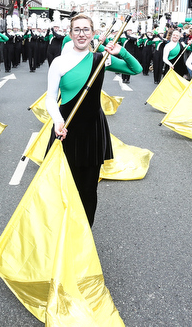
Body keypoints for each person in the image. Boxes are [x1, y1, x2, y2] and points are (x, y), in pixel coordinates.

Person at [46, 14, 143, 227]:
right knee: (61, 184)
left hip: (93, 130)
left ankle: (84, 233)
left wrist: (122, 52)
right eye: (77, 30)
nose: (82, 34)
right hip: (66, 128)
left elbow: (137, 69)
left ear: (93, 34)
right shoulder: (59, 62)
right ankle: (60, 230)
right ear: (70, 34)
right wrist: (57, 121)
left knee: (88, 188)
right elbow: (50, 98)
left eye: (86, 30)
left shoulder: (101, 59)